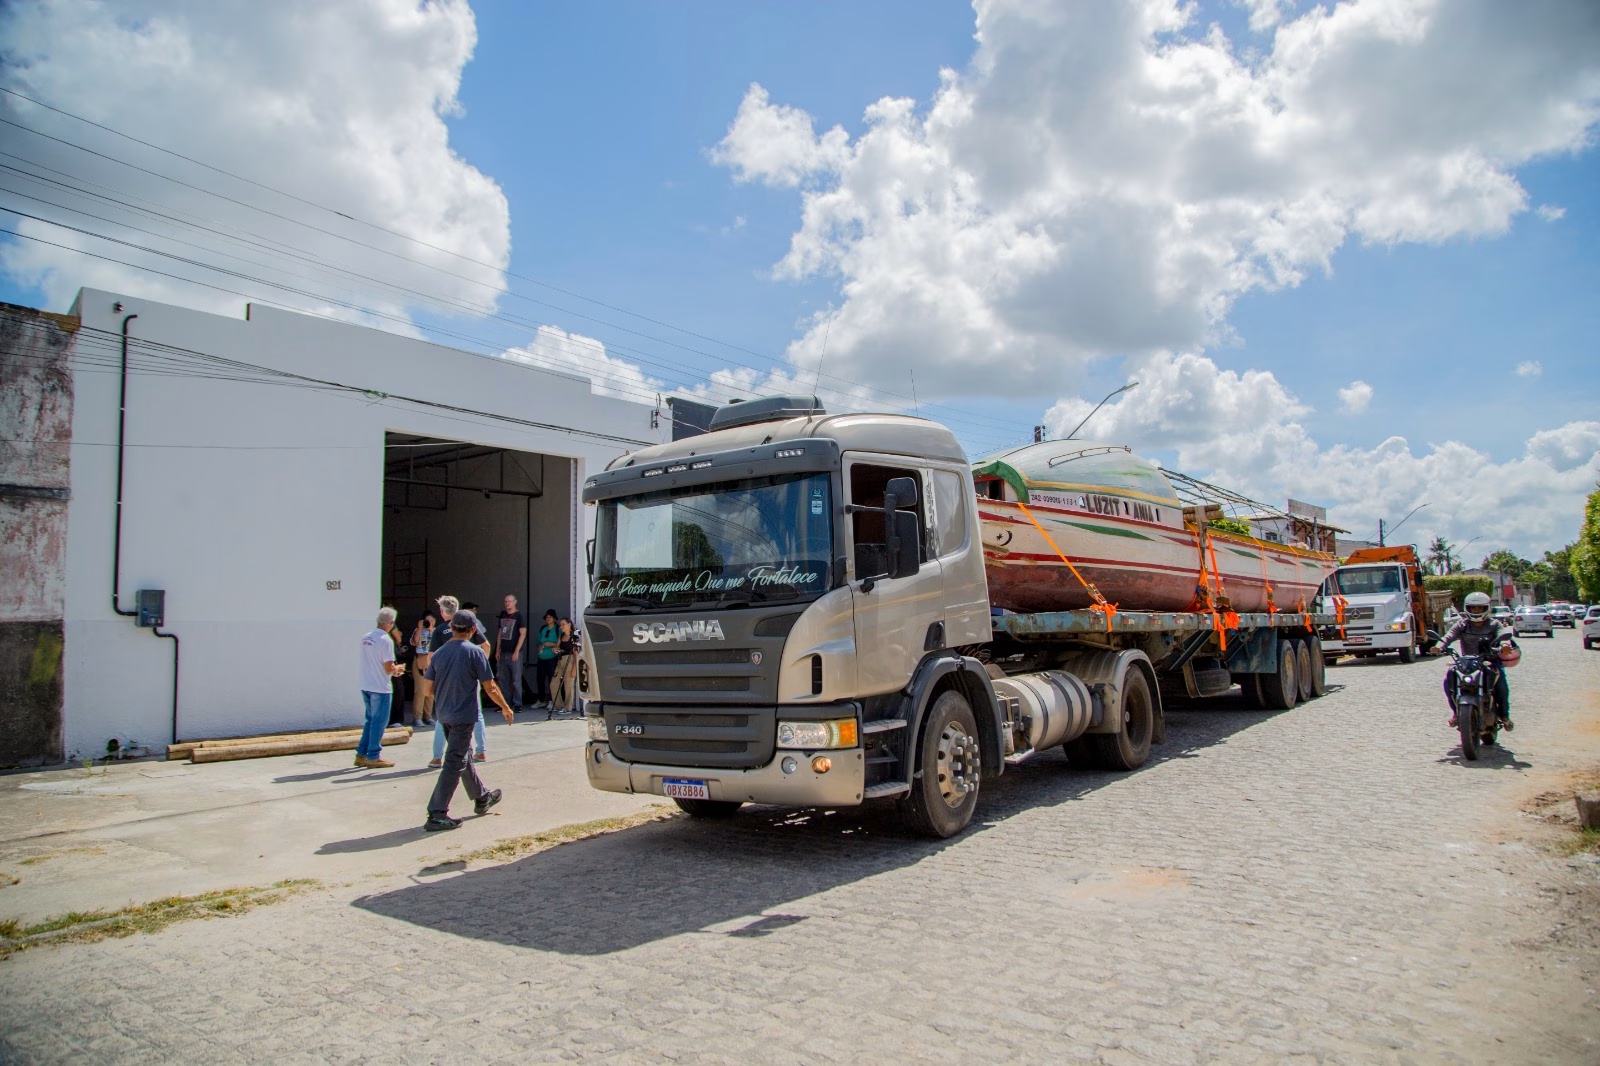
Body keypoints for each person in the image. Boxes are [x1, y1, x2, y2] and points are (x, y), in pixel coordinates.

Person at [422, 609, 515, 831]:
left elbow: (427, 690)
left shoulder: (439, 653)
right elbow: (490, 687)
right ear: (473, 630)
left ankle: (482, 797)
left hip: (444, 714)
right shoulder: (475, 653)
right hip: (463, 717)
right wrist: (505, 706)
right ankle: (437, 813)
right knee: (455, 762)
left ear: (452, 627)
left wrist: (447, 694)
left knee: (463, 757)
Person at [428, 595, 490, 765]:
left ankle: (437, 756)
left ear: (442, 611)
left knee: (442, 716)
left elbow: (431, 657)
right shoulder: (469, 627)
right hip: (469, 677)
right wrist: (480, 668)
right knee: (476, 713)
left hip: (445, 679)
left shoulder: (440, 631)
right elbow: (486, 646)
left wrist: (432, 677)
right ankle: (481, 751)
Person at [1440, 591, 1514, 730]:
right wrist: (1439, 646)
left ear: (1486, 608)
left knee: (1501, 686)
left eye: (1479, 608)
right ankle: (1456, 713)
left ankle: (1504, 715)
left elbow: (1503, 635)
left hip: (1490, 661)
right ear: (1467, 608)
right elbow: (1449, 636)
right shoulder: (1463, 624)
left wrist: (1505, 645)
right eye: (1473, 608)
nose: (1476, 610)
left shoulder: (1494, 624)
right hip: (1467, 663)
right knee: (1448, 680)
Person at [357, 607, 406, 769]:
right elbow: (388, 668)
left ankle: (361, 754)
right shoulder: (385, 640)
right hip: (380, 687)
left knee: (370, 721)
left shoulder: (366, 638)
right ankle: (373, 756)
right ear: (391, 624)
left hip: (366, 685)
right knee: (379, 722)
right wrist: (398, 669)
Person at [495, 595, 528, 711]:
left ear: (515, 602)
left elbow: (523, 634)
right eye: (506, 601)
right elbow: (500, 633)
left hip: (514, 653)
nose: (507, 603)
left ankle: (517, 704)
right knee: (503, 680)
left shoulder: (519, 616)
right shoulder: (503, 615)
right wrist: (497, 649)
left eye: (510, 601)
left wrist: (516, 651)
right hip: (503, 652)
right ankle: (505, 704)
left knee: (516, 679)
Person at [410, 614, 436, 725]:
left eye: (431, 620)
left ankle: (428, 715)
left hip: (433, 660)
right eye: (427, 620)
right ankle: (417, 717)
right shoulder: (418, 630)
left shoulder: (437, 631)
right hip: (421, 659)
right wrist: (420, 628)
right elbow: (415, 642)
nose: (429, 622)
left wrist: (431, 630)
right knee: (420, 690)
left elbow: (441, 644)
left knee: (430, 690)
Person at [534, 609, 560, 714]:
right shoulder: (543, 628)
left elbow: (561, 642)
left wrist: (551, 644)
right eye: (547, 617)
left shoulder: (558, 629)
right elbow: (537, 641)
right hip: (541, 658)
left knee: (551, 681)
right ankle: (541, 700)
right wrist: (540, 646)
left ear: (554, 619)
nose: (548, 619)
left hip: (552, 659)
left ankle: (551, 700)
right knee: (540, 679)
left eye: (550, 617)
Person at [551, 617, 578, 714]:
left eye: (563, 624)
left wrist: (575, 668)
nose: (561, 626)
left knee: (568, 685)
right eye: (560, 625)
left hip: (570, 660)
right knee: (553, 684)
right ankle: (558, 706)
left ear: (569, 624)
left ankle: (568, 708)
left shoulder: (573, 637)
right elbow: (557, 647)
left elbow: (576, 653)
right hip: (560, 660)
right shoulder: (561, 635)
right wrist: (554, 649)